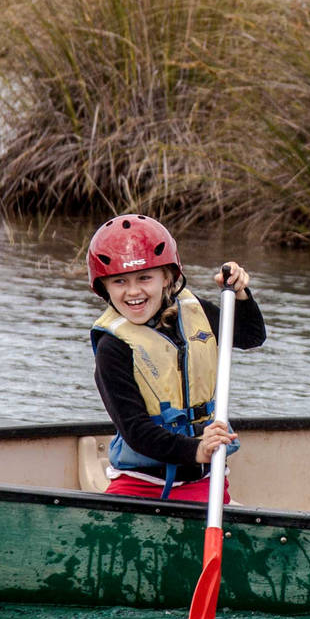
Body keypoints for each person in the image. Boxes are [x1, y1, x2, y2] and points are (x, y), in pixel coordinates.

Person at [86, 213, 265, 503]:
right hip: (139, 483)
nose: (133, 291)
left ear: (167, 276)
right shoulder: (112, 348)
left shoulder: (198, 314)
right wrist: (198, 450)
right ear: (104, 287)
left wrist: (241, 295)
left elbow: (251, 336)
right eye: (119, 281)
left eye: (145, 278)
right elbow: (136, 431)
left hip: (203, 477)